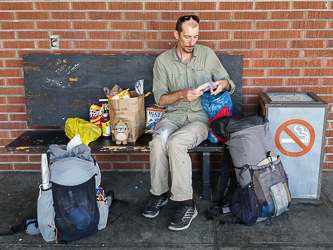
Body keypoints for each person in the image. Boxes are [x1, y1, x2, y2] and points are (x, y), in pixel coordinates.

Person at [142, 15, 236, 231]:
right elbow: (160, 99)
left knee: (176, 142)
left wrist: (221, 84)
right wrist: (182, 94)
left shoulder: (207, 54)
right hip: (172, 117)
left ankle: (187, 204)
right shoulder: (163, 61)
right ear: (176, 35)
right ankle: (159, 194)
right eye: (187, 37)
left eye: (195, 37)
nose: (192, 42)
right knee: (157, 141)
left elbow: (229, 83)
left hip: (200, 118)